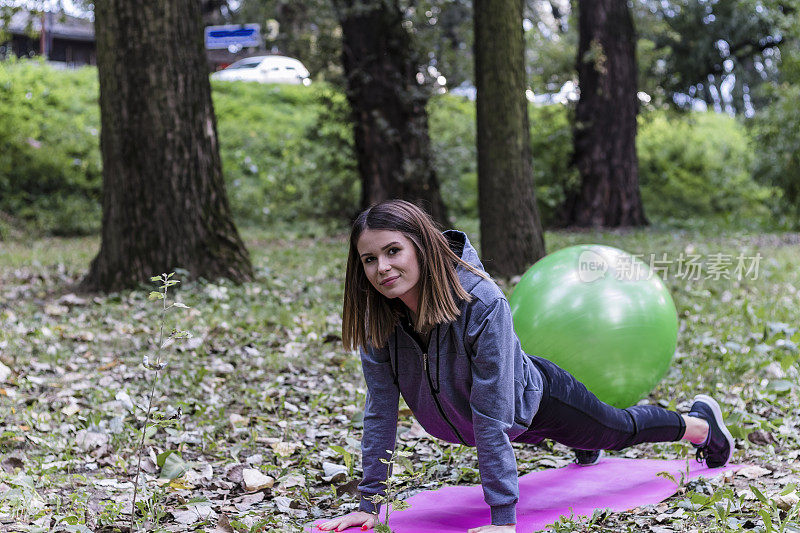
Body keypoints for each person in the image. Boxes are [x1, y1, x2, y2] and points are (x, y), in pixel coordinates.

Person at [318, 200, 734, 533]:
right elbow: (380, 410)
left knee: (616, 430)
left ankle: (698, 424)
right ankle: (582, 443)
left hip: (537, 400)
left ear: (422, 247)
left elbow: (491, 411)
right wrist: (369, 505)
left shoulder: (481, 302)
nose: (383, 268)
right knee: (573, 436)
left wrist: (503, 519)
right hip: (504, 422)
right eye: (369, 259)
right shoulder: (381, 321)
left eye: (394, 251)